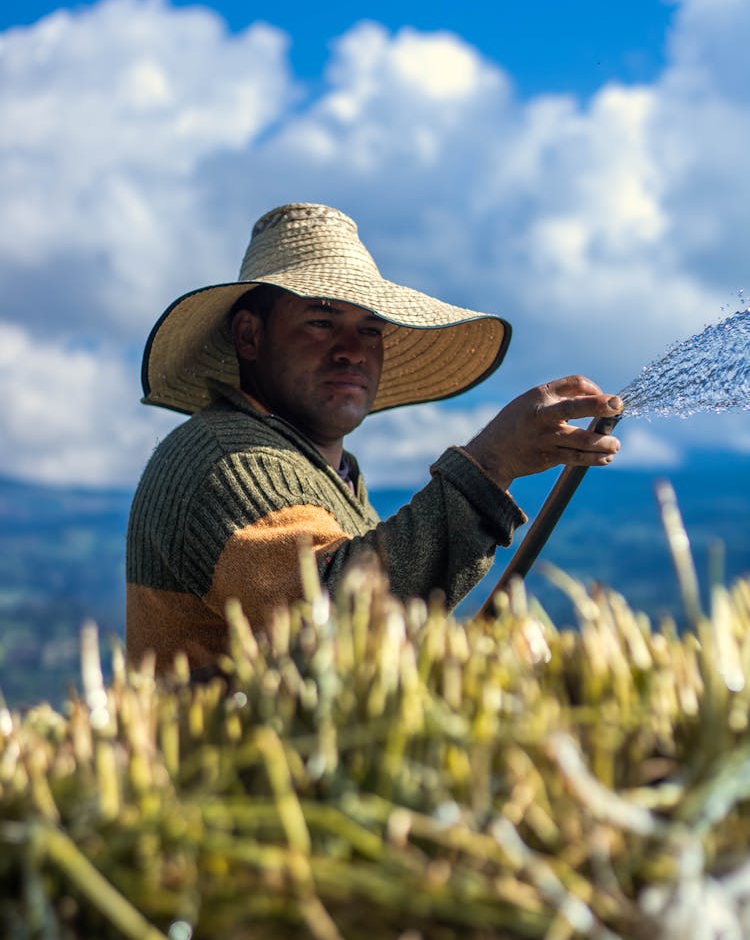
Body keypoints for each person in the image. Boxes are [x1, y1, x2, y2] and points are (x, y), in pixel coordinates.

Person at [126, 202, 622, 673]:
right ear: (250, 337)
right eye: (321, 322)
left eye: (370, 330)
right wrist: (490, 465)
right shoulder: (227, 458)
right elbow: (337, 622)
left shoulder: (322, 475)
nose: (352, 351)